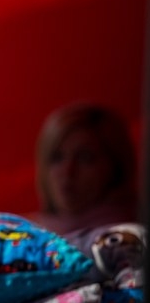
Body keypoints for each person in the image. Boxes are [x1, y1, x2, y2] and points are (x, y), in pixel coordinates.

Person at [31, 102, 140, 238]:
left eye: (85, 158)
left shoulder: (128, 237)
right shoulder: (24, 232)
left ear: (115, 166)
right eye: (57, 158)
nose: (68, 172)